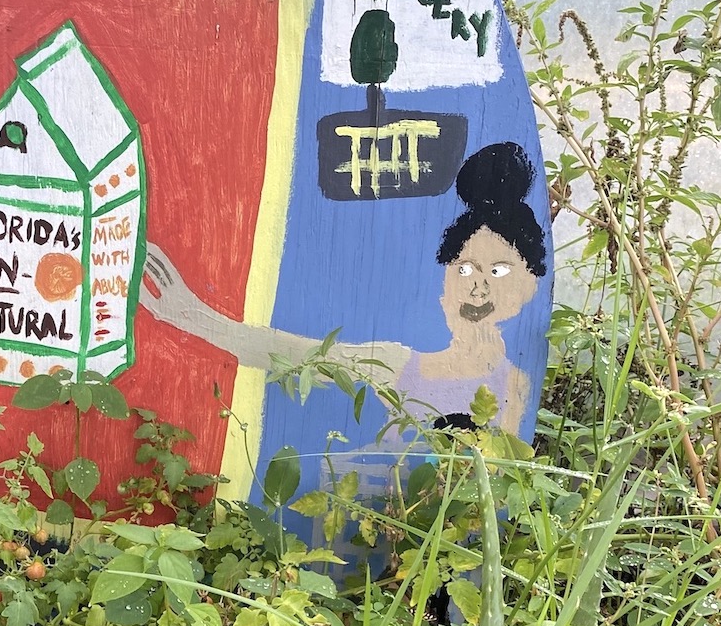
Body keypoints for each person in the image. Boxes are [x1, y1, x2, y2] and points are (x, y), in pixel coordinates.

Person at [139, 142, 547, 436]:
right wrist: (191, 314)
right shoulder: (396, 365)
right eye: (465, 269)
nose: (477, 287)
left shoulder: (517, 388)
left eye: (497, 270)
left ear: (529, 282)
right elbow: (293, 355)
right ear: (445, 281)